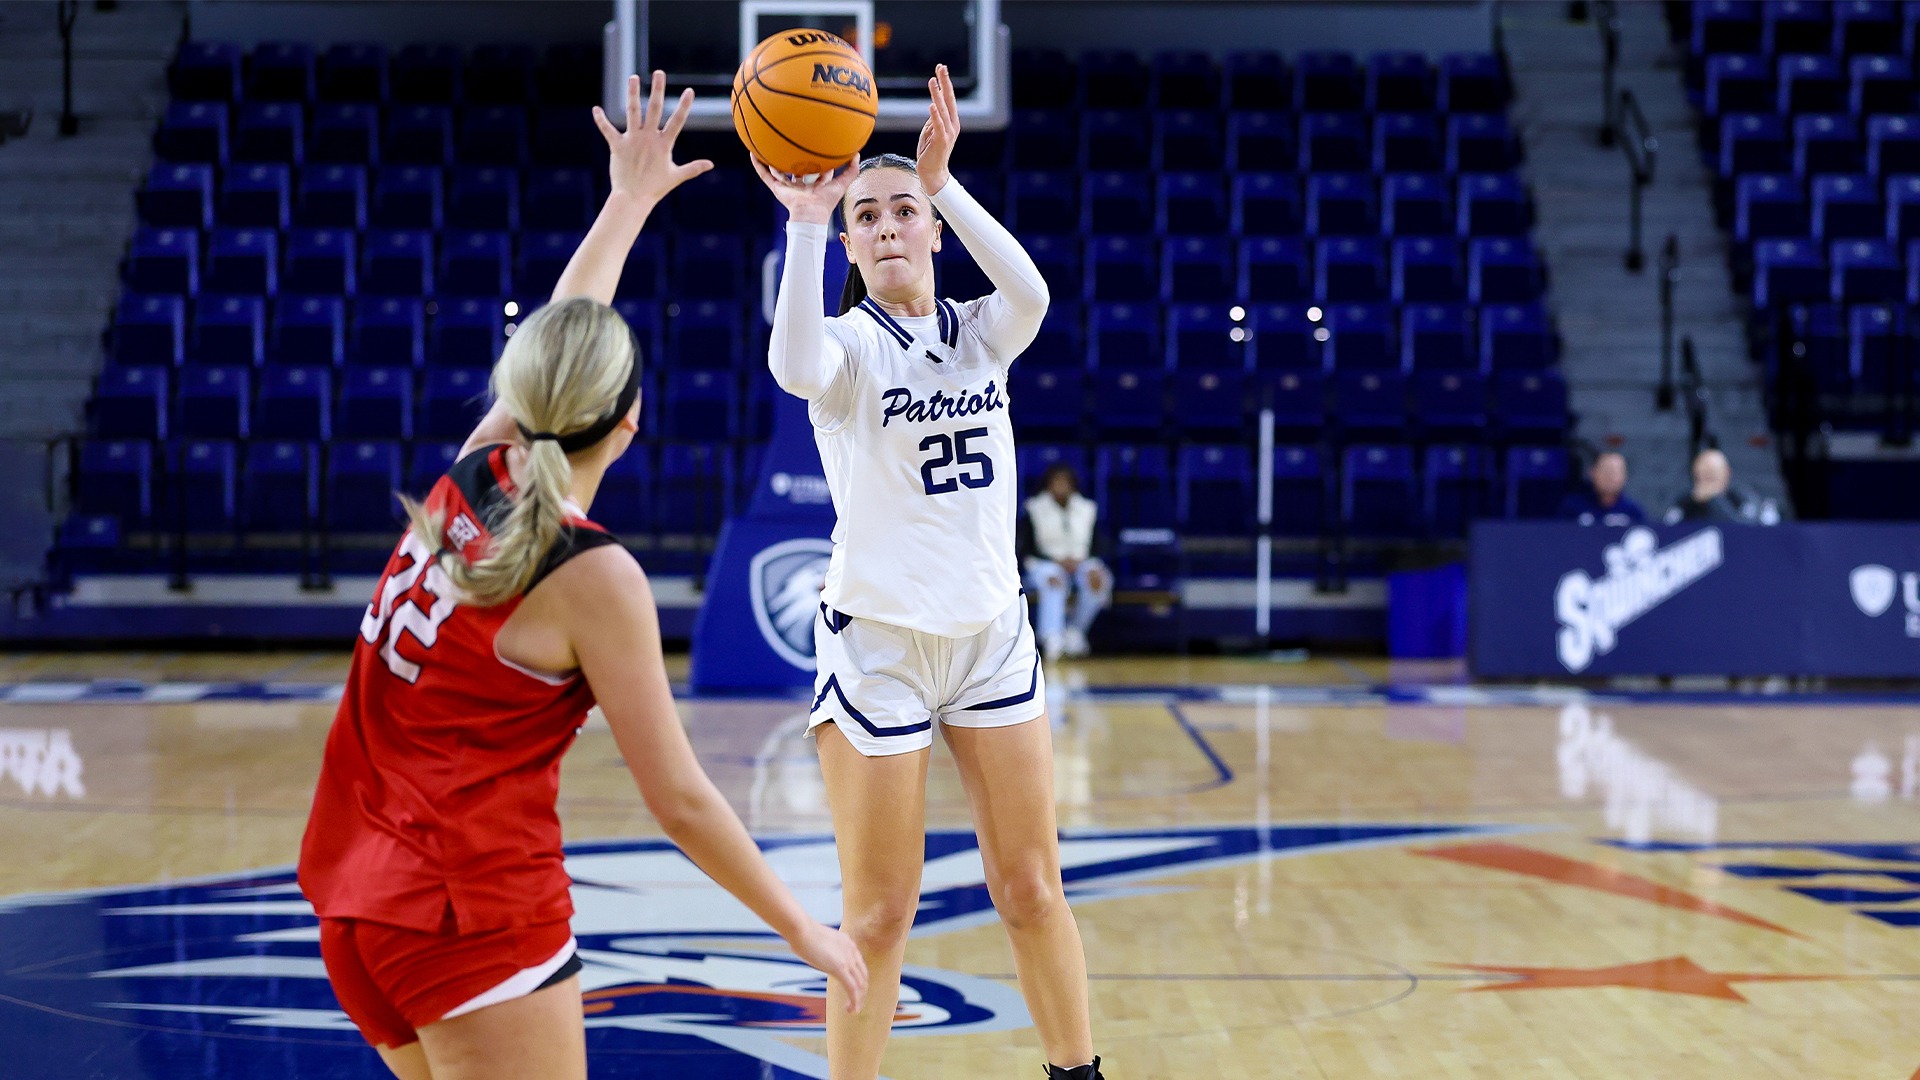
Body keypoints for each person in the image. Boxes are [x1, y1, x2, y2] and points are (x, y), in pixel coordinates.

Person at [297, 73, 866, 1080]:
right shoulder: (591, 574)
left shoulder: (476, 474)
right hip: (469, 915)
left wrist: (629, 198)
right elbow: (681, 798)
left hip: (355, 903)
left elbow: (561, 330)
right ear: (633, 424)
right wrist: (806, 933)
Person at [754, 66, 1104, 1080]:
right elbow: (790, 366)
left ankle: (1077, 1072)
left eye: (904, 209)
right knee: (877, 912)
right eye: (871, 215)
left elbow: (1033, 291)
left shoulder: (979, 334)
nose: (891, 225)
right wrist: (808, 225)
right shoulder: (847, 350)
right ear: (856, 243)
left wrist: (944, 180)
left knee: (1031, 888)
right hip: (882, 649)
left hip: (992, 637)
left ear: (935, 230)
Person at [1017, 464, 1112, 660]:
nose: (1061, 486)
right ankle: (1052, 637)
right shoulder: (1034, 508)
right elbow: (1027, 548)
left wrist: (1084, 562)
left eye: (1065, 482)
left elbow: (1095, 546)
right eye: (1056, 482)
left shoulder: (1087, 508)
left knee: (1098, 579)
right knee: (1054, 580)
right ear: (1048, 485)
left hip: (1081, 561)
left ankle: (1075, 631)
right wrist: (1058, 561)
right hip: (1044, 562)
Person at [1559, 450, 1646, 526]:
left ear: (1625, 476)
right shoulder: (1572, 508)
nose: (1609, 477)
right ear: (1592, 473)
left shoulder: (1633, 513)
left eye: (1615, 472)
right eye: (1606, 471)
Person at [1664, 447, 1748, 523]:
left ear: (1727, 473)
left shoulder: (1740, 500)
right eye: (1704, 473)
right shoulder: (1684, 504)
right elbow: (1668, 527)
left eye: (1713, 473)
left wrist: (1715, 500)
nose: (1708, 478)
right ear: (1695, 474)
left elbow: (1747, 529)